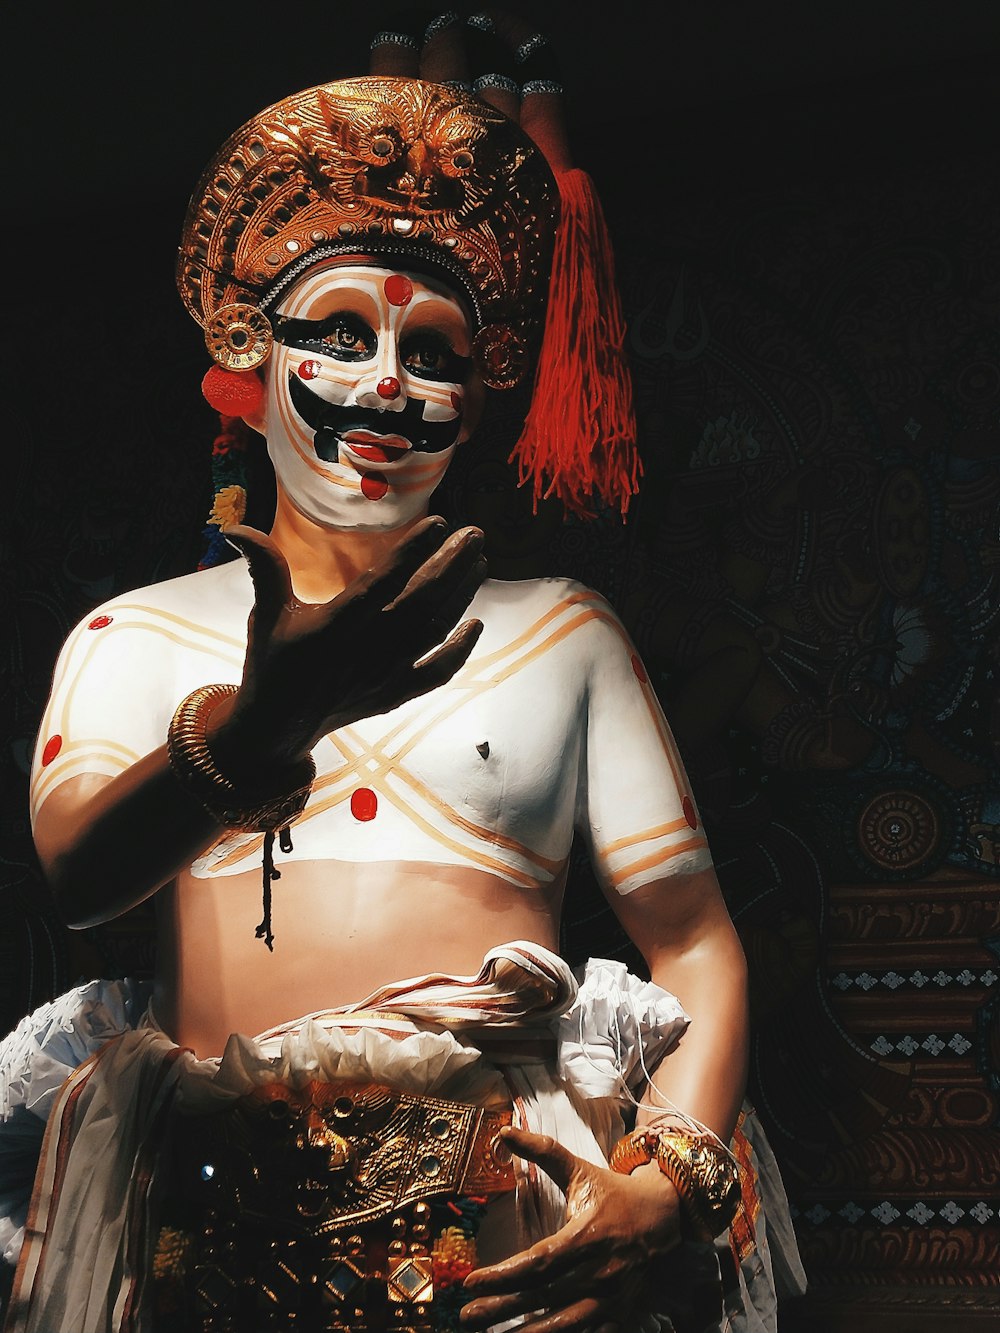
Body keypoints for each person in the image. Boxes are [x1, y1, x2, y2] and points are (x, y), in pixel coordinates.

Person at [0, 13, 805, 1333]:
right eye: (340, 334)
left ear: (479, 395)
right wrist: (261, 730)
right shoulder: (132, 637)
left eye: (433, 351)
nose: (386, 385)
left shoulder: (561, 634)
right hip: (219, 1228)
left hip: (508, 1223)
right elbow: (84, 875)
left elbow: (697, 943)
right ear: (246, 367)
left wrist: (664, 1180)